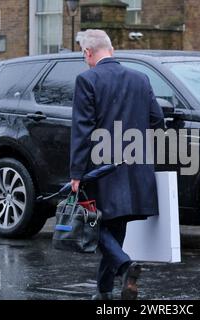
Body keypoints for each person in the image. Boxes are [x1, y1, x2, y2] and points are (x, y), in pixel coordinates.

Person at [69, 29, 164, 300]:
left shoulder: (87, 80)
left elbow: (82, 129)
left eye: (83, 55)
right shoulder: (140, 78)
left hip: (100, 169)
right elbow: (157, 120)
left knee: (91, 225)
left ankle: (124, 265)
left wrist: (77, 173)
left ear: (88, 52)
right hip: (134, 165)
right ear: (110, 49)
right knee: (115, 227)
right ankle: (105, 290)